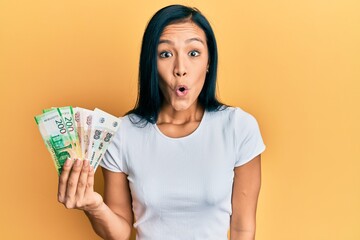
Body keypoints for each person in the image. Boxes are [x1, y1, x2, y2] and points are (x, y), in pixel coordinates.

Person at [57, 4, 266, 240]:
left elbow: (243, 228)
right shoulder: (122, 133)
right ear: (151, 65)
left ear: (209, 62)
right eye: (165, 54)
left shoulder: (239, 128)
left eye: (194, 53)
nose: (180, 69)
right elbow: (122, 231)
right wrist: (94, 207)